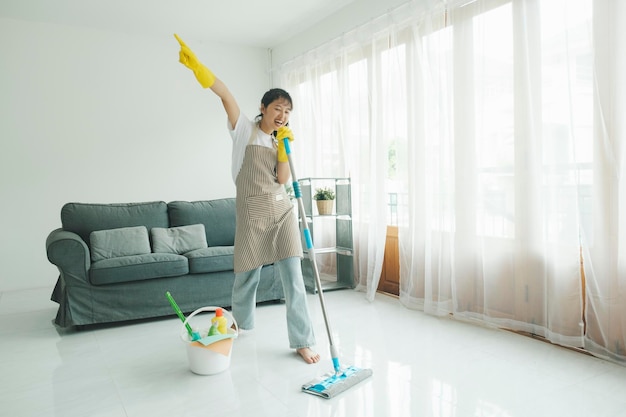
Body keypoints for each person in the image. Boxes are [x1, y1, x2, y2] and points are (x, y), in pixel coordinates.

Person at [174, 34, 320, 364]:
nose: (282, 114)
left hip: (282, 212)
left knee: (294, 279)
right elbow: (225, 95)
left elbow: (282, 180)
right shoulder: (244, 131)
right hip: (252, 214)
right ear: (263, 108)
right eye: (277, 108)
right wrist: (199, 68)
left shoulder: (281, 141)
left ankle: (302, 341)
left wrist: (284, 146)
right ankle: (241, 327)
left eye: (287, 111)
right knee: (245, 277)